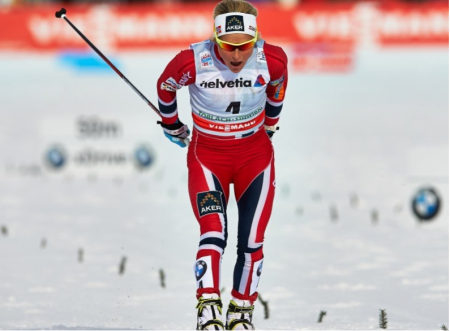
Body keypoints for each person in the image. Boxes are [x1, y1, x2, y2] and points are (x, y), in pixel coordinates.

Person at [156, 0, 288, 328]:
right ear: (215, 39)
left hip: (255, 158)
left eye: (244, 46)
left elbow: (277, 89)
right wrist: (172, 124)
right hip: (208, 158)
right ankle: (208, 309)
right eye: (227, 46)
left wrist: (270, 124)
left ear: (255, 39)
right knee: (213, 231)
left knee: (252, 240)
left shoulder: (272, 59)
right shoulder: (192, 61)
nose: (236, 56)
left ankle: (241, 313)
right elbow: (165, 86)